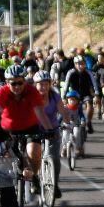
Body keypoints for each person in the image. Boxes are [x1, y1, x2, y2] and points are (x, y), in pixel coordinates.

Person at [0, 64, 54, 196]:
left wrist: (49, 129)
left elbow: (40, 112)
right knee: (8, 155)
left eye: (20, 83)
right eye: (13, 83)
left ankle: (34, 177)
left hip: (30, 126)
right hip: (8, 130)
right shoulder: (2, 92)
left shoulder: (31, 91)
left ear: (24, 81)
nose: (17, 87)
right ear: (7, 83)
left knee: (34, 150)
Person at [34, 70, 70, 198]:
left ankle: (54, 184)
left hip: (53, 129)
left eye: (45, 84)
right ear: (35, 85)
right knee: (34, 155)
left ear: (49, 84)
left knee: (54, 158)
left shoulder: (55, 96)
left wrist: (67, 122)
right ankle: (35, 180)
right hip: (35, 130)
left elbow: (62, 112)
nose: (43, 87)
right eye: (40, 84)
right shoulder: (32, 97)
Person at [63, 55, 100, 134]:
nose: (81, 66)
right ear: (75, 64)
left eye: (82, 64)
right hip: (74, 95)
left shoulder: (88, 72)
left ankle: (88, 121)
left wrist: (96, 94)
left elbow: (94, 83)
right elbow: (66, 85)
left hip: (85, 94)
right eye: (78, 64)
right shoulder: (71, 72)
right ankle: (71, 124)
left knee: (89, 104)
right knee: (72, 109)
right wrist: (64, 97)